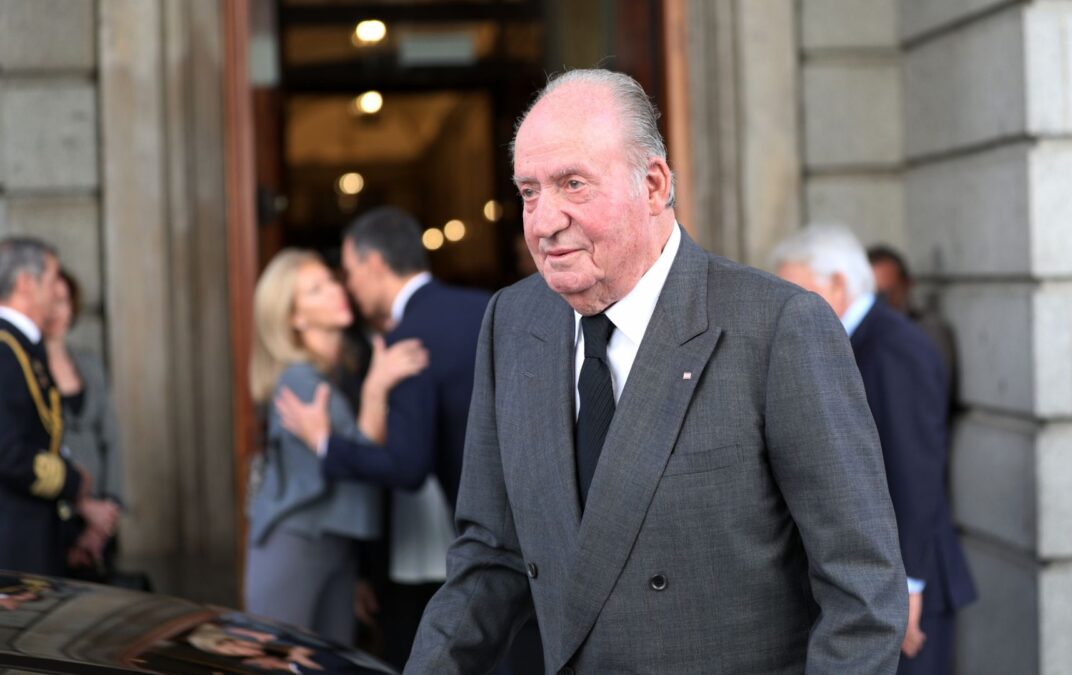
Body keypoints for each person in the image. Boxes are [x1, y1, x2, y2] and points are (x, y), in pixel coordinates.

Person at [399, 69, 908, 674]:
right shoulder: (511, 321)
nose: (542, 222)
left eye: (573, 184)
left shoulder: (779, 327)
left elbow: (862, 592)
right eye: (529, 191)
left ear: (654, 184)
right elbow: (489, 558)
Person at [273, 209, 493, 668]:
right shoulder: (488, 307)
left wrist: (326, 444)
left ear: (373, 264)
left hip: (461, 538)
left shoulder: (407, 336)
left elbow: (407, 467)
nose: (347, 287)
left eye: (348, 273)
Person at [773, 225, 977, 675]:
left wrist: (907, 587)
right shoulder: (855, 340)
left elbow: (915, 472)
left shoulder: (892, 346)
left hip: (909, 585)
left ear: (838, 283)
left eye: (796, 291)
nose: (785, 307)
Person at [245, 248, 428, 645]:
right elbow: (361, 459)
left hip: (335, 544)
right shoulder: (299, 380)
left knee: (329, 663)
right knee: (279, 662)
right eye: (316, 290)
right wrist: (378, 387)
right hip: (296, 543)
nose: (335, 290)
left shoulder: (341, 370)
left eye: (330, 280)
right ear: (294, 318)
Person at [0, 237, 119, 577]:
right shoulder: (6, 351)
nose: (57, 293)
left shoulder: (21, 346)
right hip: (15, 545)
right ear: (26, 283)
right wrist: (72, 480)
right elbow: (9, 453)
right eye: (52, 280)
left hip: (36, 536)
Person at [43, 269, 125, 580]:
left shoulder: (89, 364)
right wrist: (80, 506)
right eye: (50, 301)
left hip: (101, 517)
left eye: (63, 301)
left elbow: (111, 440)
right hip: (55, 514)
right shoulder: (26, 369)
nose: (56, 311)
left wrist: (106, 514)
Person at [867, 244, 957, 403]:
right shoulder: (862, 335)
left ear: (907, 285)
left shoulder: (929, 331)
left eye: (888, 293)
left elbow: (933, 396)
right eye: (874, 295)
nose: (883, 303)